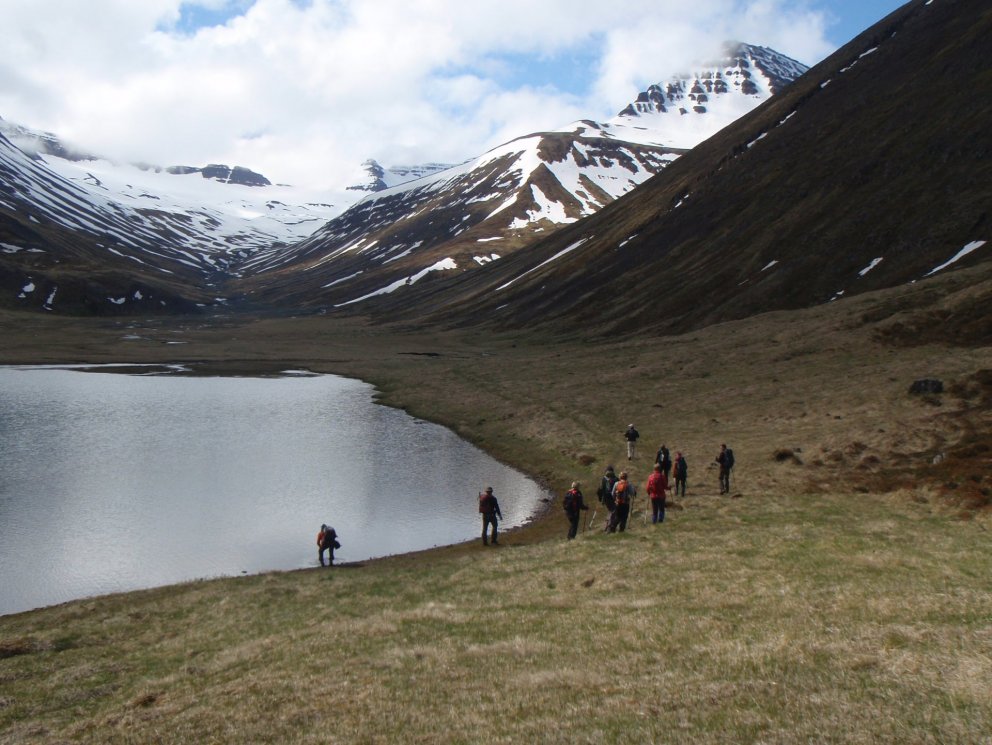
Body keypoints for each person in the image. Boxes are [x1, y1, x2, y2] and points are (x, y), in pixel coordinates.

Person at [596, 465, 619, 531]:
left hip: (606, 498)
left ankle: (608, 526)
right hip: (614, 498)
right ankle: (609, 527)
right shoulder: (616, 479)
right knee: (613, 511)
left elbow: (599, 490)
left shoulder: (603, 479)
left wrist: (600, 498)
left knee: (611, 511)